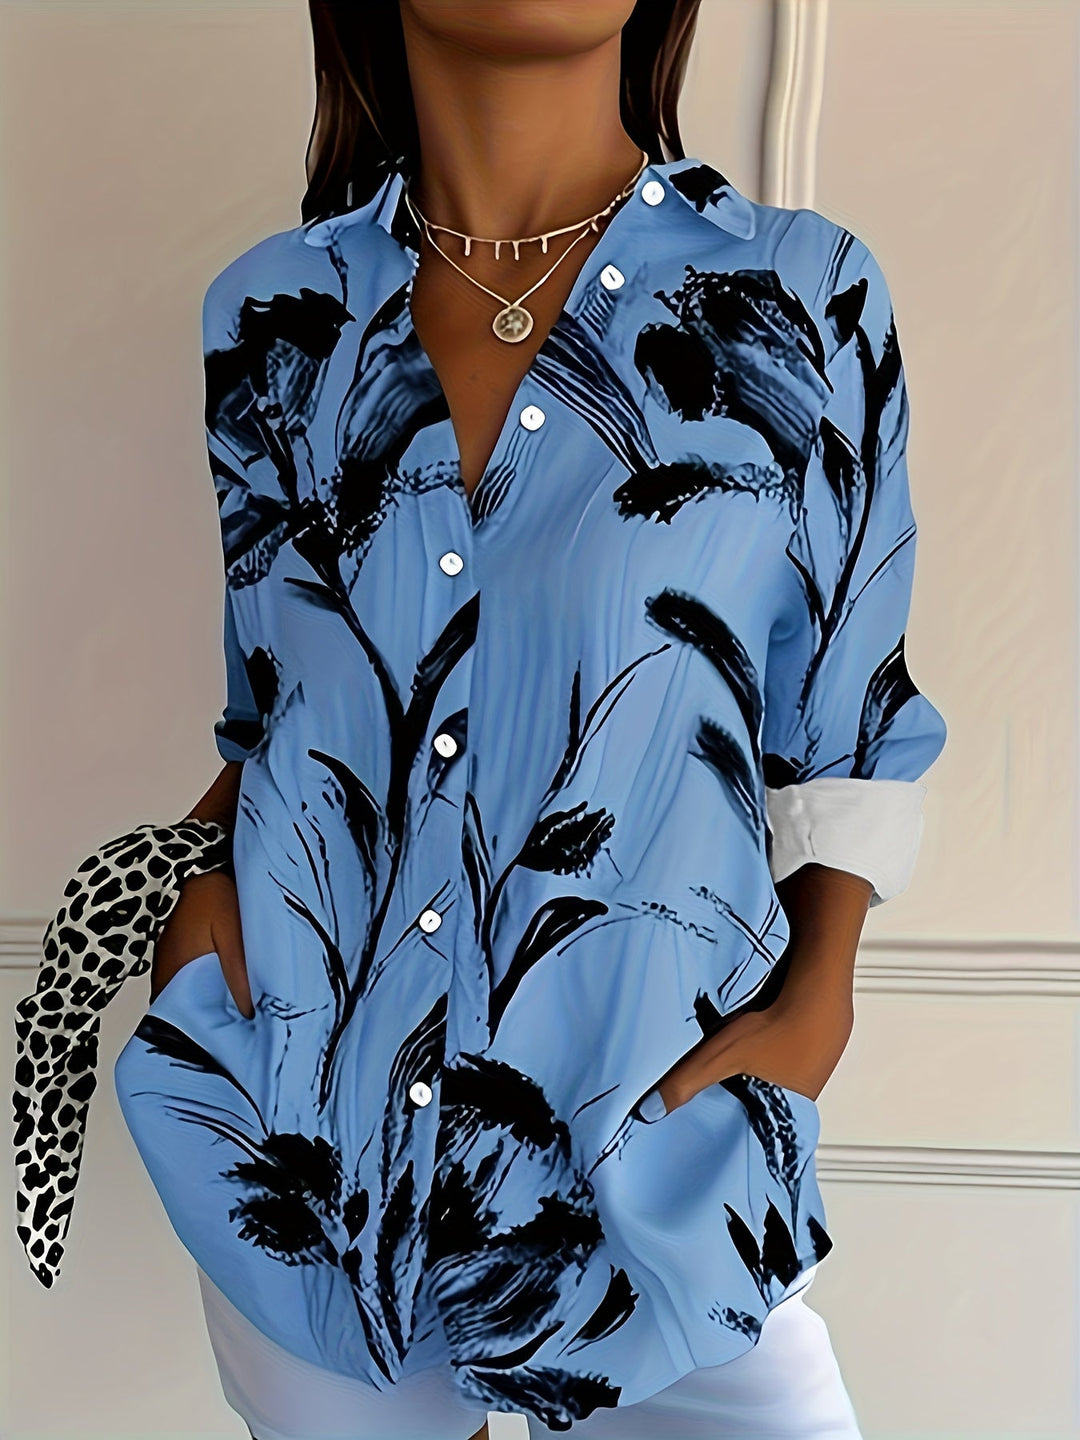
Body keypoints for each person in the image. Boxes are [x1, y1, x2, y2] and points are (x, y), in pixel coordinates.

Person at [13, 2, 947, 1437]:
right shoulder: (273, 320)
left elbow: (846, 716)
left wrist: (819, 996)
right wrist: (194, 918)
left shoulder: (798, 295)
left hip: (654, 1145)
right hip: (308, 1140)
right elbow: (276, 704)